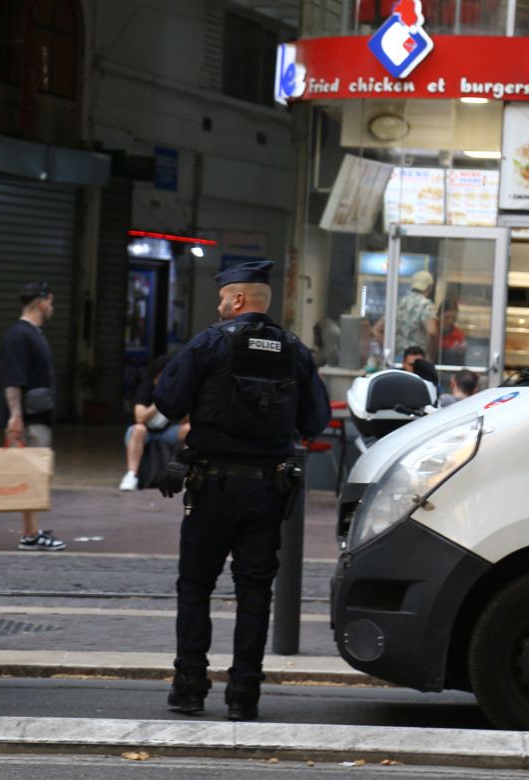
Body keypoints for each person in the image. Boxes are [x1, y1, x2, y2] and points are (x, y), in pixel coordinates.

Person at [154, 260, 330, 722]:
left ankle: (190, 687)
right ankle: (244, 694)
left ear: (236, 300)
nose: (218, 307)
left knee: (195, 585)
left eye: (220, 299)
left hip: (211, 486)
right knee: (255, 590)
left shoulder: (211, 342)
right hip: (266, 491)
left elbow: (168, 401)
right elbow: (315, 421)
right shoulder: (294, 350)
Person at [1, 281, 66, 552]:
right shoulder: (20, 335)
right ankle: (30, 535)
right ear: (41, 303)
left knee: (35, 474)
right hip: (29, 418)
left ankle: (32, 532)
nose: (52, 308)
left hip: (36, 416)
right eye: (50, 303)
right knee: (31, 474)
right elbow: (13, 380)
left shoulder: (32, 333)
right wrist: (16, 418)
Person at [120, 354, 190, 491]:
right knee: (139, 429)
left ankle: (186, 473)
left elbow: (185, 421)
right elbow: (140, 418)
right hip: (143, 433)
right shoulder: (145, 388)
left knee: (189, 429)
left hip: (165, 433)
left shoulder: (178, 390)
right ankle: (131, 475)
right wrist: (160, 398)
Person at [371, 270, 438, 355]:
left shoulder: (399, 303)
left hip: (398, 359)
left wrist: (389, 350)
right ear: (430, 287)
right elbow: (432, 332)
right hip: (417, 358)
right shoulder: (426, 305)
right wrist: (430, 356)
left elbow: (376, 329)